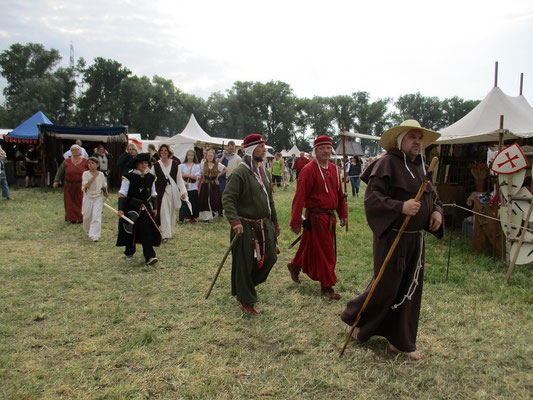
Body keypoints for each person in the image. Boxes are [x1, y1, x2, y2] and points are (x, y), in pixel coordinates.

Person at [340, 120, 444, 361]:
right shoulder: (387, 163)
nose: (417, 141)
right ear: (400, 140)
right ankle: (356, 319)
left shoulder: (421, 166)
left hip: (415, 241)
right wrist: (400, 207)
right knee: (386, 286)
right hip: (393, 236)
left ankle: (400, 341)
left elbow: (434, 195)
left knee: (410, 289)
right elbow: (373, 200)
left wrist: (437, 210)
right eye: (412, 137)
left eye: (420, 138)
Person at [222, 133, 280, 315]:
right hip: (244, 225)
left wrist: (275, 222)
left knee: (271, 257)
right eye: (261, 147)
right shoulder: (240, 172)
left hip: (264, 224)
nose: (264, 150)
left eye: (264, 147)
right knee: (244, 263)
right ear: (250, 149)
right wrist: (234, 221)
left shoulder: (264, 171)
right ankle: (246, 300)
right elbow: (228, 199)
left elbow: (269, 198)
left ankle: (244, 285)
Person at [287, 136, 348, 299]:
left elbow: (340, 194)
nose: (326, 151)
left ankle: (294, 265)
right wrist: (295, 221)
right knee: (327, 252)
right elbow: (299, 197)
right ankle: (327, 287)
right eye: (322, 148)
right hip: (315, 218)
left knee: (309, 244)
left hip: (330, 218)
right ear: (316, 150)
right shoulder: (309, 169)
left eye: (329, 148)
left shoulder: (335, 169)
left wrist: (343, 214)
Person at [116, 153, 161, 265]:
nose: (144, 165)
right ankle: (129, 251)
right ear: (136, 164)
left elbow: (153, 194)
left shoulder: (151, 177)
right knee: (130, 229)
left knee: (147, 231)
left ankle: (150, 256)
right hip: (131, 207)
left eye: (146, 163)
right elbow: (122, 193)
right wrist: (120, 209)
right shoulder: (128, 176)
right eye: (141, 163)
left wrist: (155, 207)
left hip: (145, 208)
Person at [151, 144, 187, 243]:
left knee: (171, 212)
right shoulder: (156, 166)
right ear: (159, 152)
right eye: (162, 150)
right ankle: (165, 234)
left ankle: (169, 231)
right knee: (163, 211)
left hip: (173, 190)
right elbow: (151, 180)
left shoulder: (175, 164)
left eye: (165, 150)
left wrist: (183, 191)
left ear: (168, 152)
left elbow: (179, 179)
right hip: (161, 192)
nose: (164, 152)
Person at [53, 144, 88, 223]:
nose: (74, 151)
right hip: (69, 185)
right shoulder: (66, 161)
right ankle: (72, 218)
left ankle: (80, 218)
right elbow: (60, 171)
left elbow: (92, 171)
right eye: (72, 150)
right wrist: (56, 180)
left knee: (80, 201)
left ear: (80, 151)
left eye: (76, 150)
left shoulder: (86, 161)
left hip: (81, 185)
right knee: (70, 202)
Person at [81, 157, 108, 242]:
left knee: (96, 216)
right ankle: (87, 230)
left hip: (98, 197)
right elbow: (87, 186)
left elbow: (103, 185)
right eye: (89, 163)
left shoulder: (101, 174)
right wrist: (94, 176)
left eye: (92, 163)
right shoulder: (86, 174)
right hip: (88, 196)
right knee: (87, 215)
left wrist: (105, 192)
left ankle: (95, 235)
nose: (90, 165)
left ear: (97, 165)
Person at [198, 149, 227, 222]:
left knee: (214, 199)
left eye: (211, 156)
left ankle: (213, 212)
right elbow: (199, 171)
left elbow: (225, 169)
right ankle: (206, 217)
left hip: (214, 184)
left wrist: (218, 175)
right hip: (205, 183)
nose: (210, 157)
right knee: (205, 199)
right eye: (208, 156)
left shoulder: (217, 164)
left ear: (214, 156)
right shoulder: (203, 164)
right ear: (206, 156)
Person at [179, 150, 202, 223]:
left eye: (192, 155)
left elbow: (197, 177)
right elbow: (179, 175)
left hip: (193, 186)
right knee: (184, 202)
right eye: (189, 155)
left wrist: (188, 175)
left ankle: (192, 217)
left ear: (194, 156)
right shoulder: (181, 166)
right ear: (186, 156)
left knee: (193, 202)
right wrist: (186, 176)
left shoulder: (197, 166)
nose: (190, 157)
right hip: (184, 186)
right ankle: (182, 217)